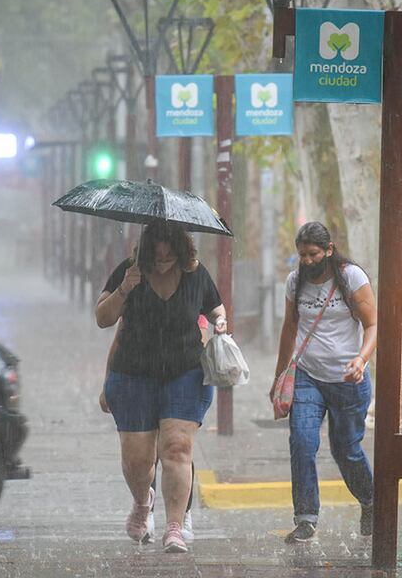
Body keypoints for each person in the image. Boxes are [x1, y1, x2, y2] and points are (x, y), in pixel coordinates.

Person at [96, 220, 227, 553]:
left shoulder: (196, 274)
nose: (163, 262)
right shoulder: (129, 272)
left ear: (181, 251)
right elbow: (103, 319)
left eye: (169, 257)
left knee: (177, 449)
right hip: (133, 375)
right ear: (147, 251)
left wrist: (221, 321)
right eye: (157, 257)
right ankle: (143, 502)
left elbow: (216, 307)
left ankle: (174, 526)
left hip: (186, 373)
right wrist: (124, 288)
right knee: (138, 461)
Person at [273, 221, 378, 543]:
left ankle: (371, 501)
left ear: (329, 250)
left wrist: (361, 360)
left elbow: (374, 324)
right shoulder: (295, 282)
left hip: (348, 379)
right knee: (302, 443)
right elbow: (289, 328)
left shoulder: (351, 277)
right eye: (301, 254)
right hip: (307, 376)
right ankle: (306, 518)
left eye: (313, 254)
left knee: (345, 450)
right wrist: (279, 377)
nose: (306, 260)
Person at [98, 313, 210, 545]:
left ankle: (182, 516)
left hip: (176, 387)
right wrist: (108, 383)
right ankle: (146, 510)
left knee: (177, 450)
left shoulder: (190, 307)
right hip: (141, 383)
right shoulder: (139, 305)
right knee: (145, 452)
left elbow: (198, 343)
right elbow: (119, 342)